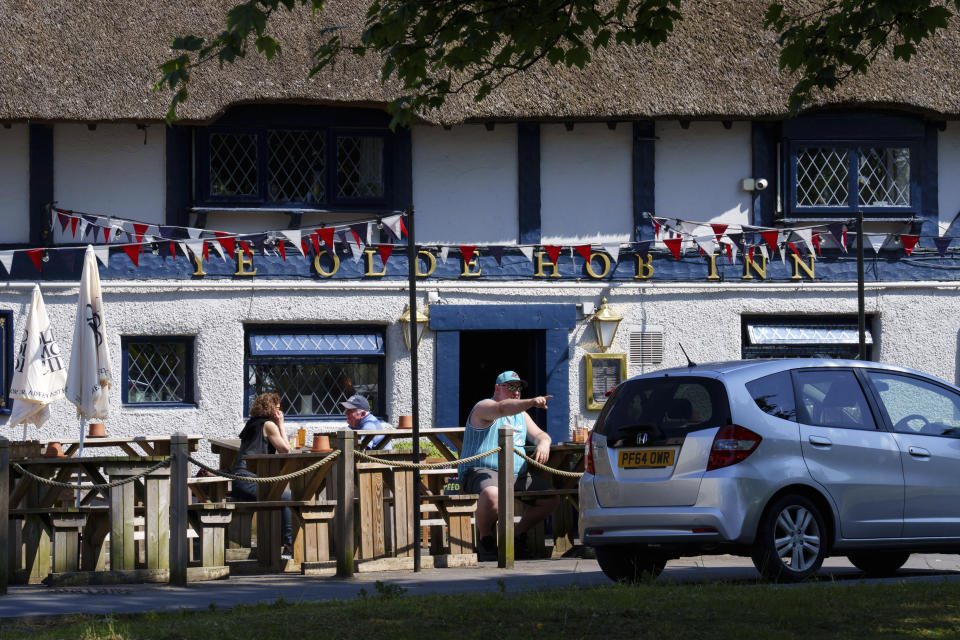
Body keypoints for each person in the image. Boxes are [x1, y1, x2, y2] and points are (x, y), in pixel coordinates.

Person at [458, 371, 560, 561]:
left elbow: (540, 435)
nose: (516, 391)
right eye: (511, 386)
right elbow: (502, 409)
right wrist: (532, 402)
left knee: (551, 498)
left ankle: (517, 536)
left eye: (518, 387)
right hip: (481, 472)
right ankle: (486, 539)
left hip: (516, 475)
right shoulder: (483, 407)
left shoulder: (521, 415)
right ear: (497, 388)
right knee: (492, 494)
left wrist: (544, 443)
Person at [230, 392, 294, 559]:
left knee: (281, 495)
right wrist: (281, 424)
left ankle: (280, 544)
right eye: (278, 408)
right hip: (249, 480)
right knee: (286, 497)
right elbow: (286, 451)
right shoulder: (269, 425)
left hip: (240, 481)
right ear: (272, 409)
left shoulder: (251, 423)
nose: (280, 412)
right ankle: (288, 545)